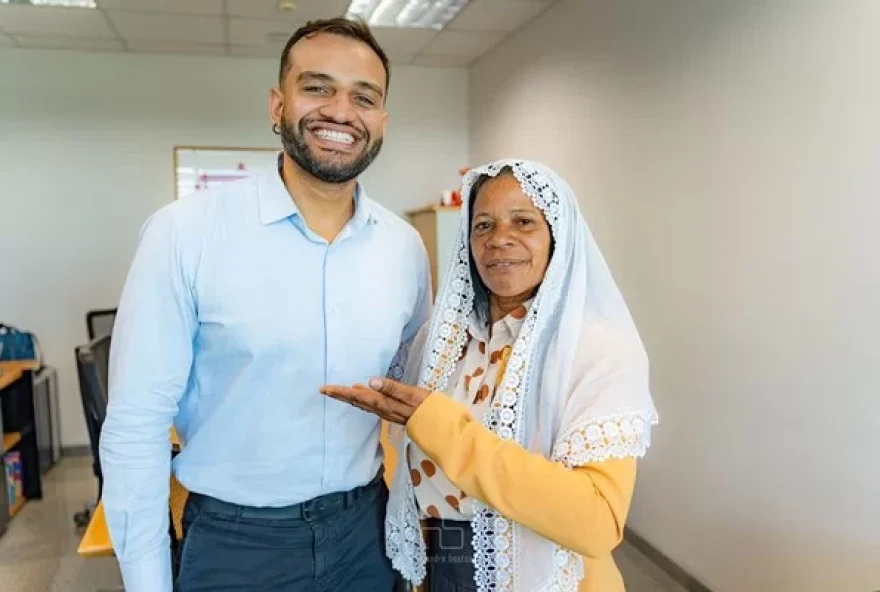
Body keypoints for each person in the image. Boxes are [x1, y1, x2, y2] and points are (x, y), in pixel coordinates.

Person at [99, 17, 431, 592]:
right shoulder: (186, 233)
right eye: (317, 87)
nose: (340, 111)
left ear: (381, 121)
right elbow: (135, 427)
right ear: (278, 106)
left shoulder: (404, 248)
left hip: (366, 534)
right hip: (236, 546)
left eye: (364, 97)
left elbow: (415, 396)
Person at [322, 159, 659, 592]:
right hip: (441, 565)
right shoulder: (442, 340)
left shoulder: (596, 348)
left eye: (524, 221)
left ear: (558, 237)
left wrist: (445, 429)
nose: (500, 239)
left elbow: (595, 521)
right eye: (482, 225)